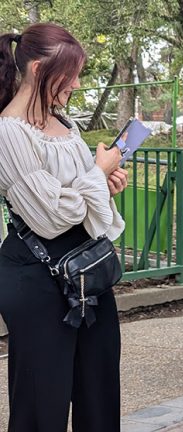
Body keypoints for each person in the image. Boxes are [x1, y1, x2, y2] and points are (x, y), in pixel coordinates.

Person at [0, 23, 128, 431]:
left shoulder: (66, 125)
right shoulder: (9, 132)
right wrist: (96, 173)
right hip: (37, 278)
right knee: (42, 402)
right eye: (69, 73)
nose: (75, 83)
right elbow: (50, 215)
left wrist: (106, 186)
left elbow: (81, 199)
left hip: (87, 272)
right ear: (38, 70)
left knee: (100, 393)